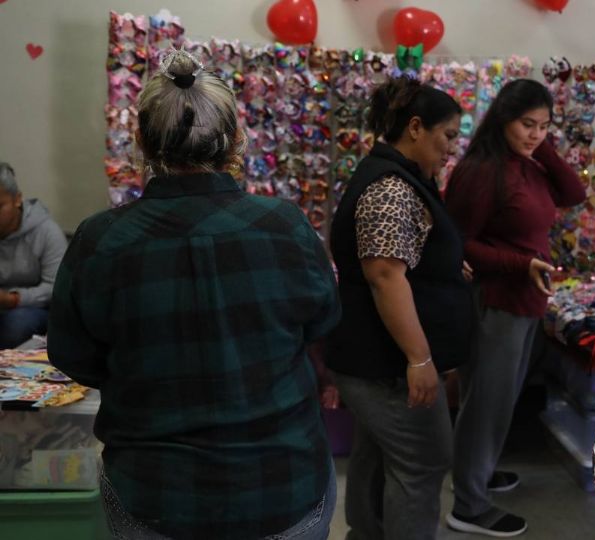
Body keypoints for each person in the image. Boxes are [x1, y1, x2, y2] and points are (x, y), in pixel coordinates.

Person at [47, 50, 340, 540]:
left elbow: (75, 355)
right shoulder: (284, 226)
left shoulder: (101, 240)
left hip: (156, 495)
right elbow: (322, 325)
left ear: (139, 140)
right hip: (284, 487)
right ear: (237, 140)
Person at [325, 76, 473, 540]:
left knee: (381, 453)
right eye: (447, 135)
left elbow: (401, 259)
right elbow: (385, 274)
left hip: (378, 359)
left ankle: (365, 533)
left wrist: (448, 267)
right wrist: (420, 358)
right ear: (415, 127)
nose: (451, 148)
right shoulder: (391, 186)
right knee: (423, 459)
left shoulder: (400, 178)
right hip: (385, 361)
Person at [444, 79, 586, 537]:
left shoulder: (527, 165)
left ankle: (477, 474)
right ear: (503, 118)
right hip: (495, 299)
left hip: (525, 299)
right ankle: (467, 504)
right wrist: (519, 263)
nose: (536, 135)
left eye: (544, 127)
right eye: (527, 124)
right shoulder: (483, 171)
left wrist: (540, 149)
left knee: (498, 398)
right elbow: (457, 242)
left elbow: (574, 193)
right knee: (485, 402)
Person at [0, 162, 67, 348]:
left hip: (34, 309)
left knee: (17, 324)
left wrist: (13, 299)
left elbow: (56, 288)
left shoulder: (46, 232)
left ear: (17, 199)